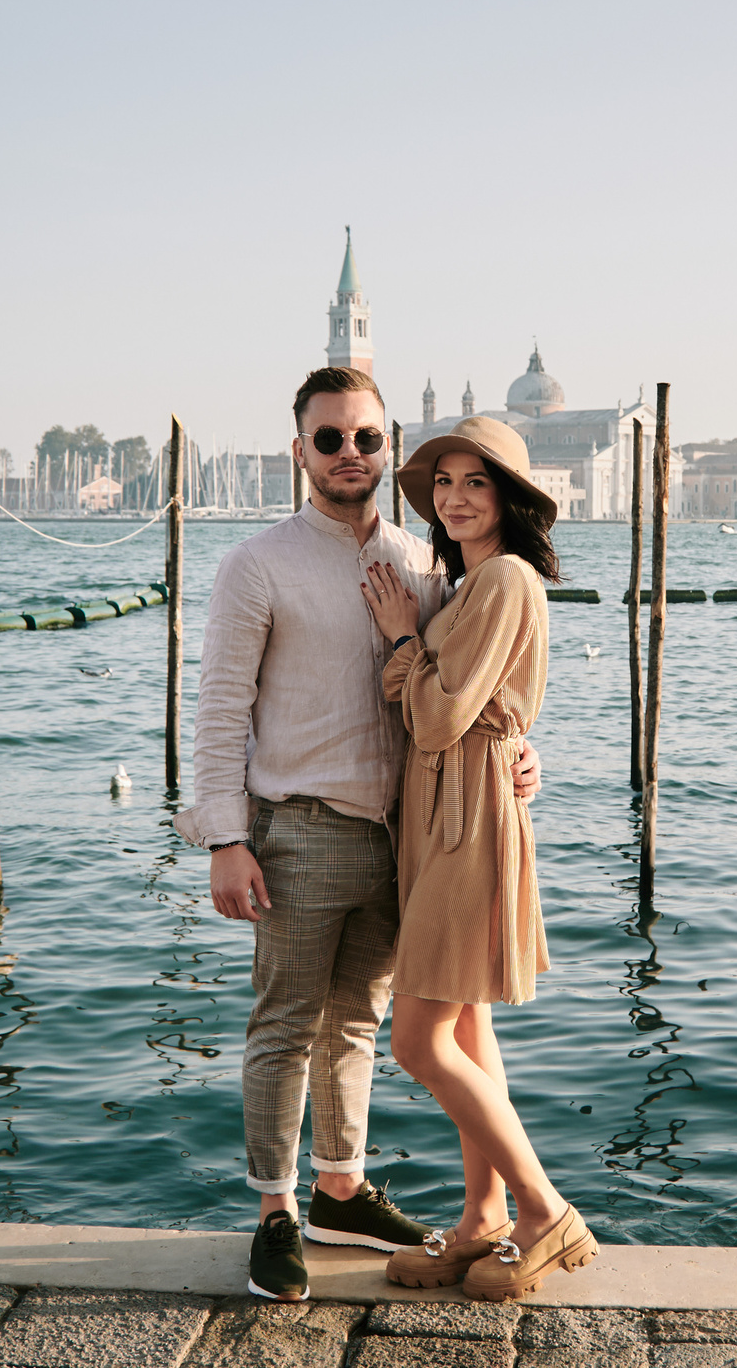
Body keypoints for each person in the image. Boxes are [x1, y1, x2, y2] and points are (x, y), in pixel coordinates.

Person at [178, 367, 544, 1304]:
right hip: (295, 828)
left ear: (388, 450)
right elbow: (220, 707)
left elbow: (464, 691)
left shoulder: (430, 562)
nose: (350, 453)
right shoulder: (257, 563)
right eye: (330, 438)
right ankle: (272, 1210)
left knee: (359, 1023)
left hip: (408, 841)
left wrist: (520, 755)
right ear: (298, 450)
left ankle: (338, 1189)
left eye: (367, 438)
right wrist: (225, 834)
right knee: (285, 1024)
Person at [358, 415, 595, 1304]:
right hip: (445, 809)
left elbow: (438, 715)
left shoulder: (503, 578)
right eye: (445, 482)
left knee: (418, 1038)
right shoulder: (464, 586)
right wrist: (416, 655)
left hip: (465, 816)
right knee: (465, 1029)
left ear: (510, 499)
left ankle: (543, 1210)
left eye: (475, 482)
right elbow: (439, 700)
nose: (455, 497)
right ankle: (480, 1217)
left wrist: (398, 639)